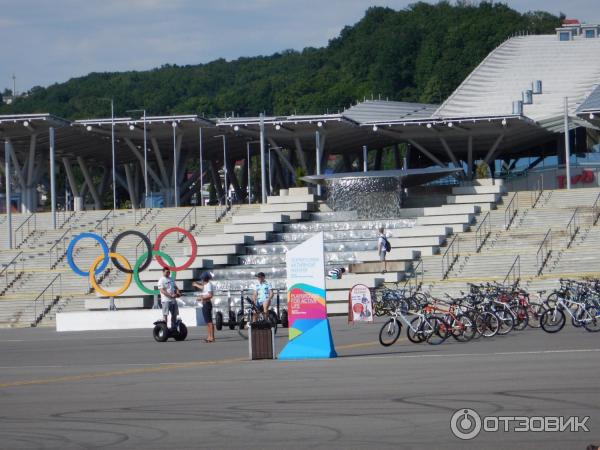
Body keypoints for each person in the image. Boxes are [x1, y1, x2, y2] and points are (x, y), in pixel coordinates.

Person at [192, 272, 215, 343]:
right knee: (207, 322)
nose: (202, 280)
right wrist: (196, 284)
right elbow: (203, 287)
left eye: (202, 279)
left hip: (207, 303)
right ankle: (209, 336)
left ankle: (212, 337)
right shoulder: (206, 285)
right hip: (205, 303)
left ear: (204, 279)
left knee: (209, 322)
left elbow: (210, 295)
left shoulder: (208, 285)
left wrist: (201, 297)